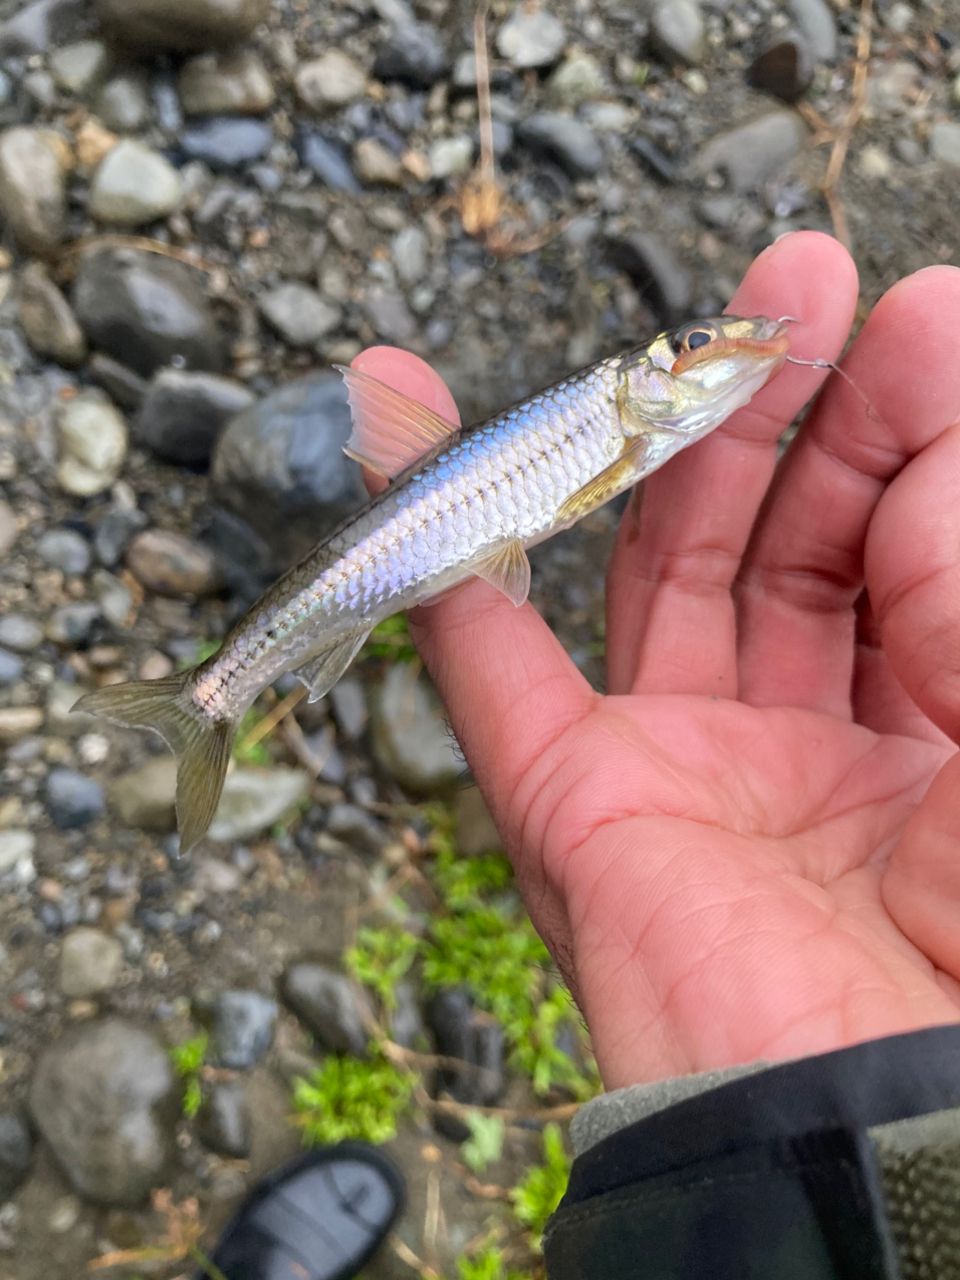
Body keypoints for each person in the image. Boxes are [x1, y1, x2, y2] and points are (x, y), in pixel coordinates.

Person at [210, 232, 960, 1278]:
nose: (719, 349)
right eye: (690, 346)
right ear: (644, 376)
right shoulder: (614, 409)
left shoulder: (652, 416)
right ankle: (212, 697)